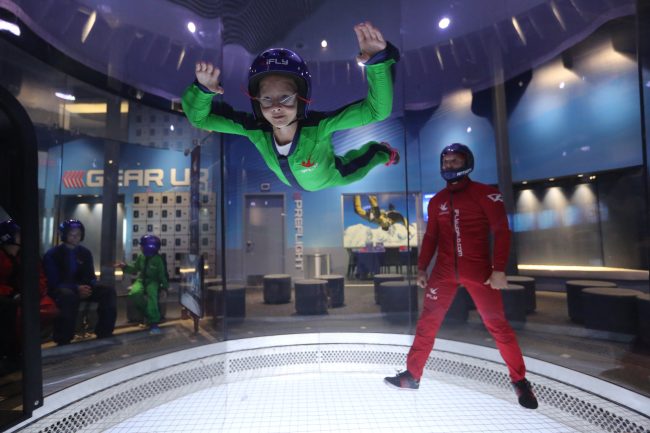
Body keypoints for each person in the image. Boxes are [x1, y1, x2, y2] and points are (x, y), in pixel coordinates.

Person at [383, 143, 538, 410]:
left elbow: (501, 231)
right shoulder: (439, 201)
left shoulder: (486, 194)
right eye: (446, 162)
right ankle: (412, 375)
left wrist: (499, 269)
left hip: (480, 273)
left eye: (455, 161)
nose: (450, 166)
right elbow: (431, 236)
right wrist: (422, 268)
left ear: (467, 162)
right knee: (427, 323)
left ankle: (520, 381)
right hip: (443, 273)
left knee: (498, 326)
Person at [182, 21, 400, 192]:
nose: (276, 107)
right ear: (257, 102)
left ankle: (383, 151)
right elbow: (199, 119)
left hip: (330, 175)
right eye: (267, 99)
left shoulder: (319, 126)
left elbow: (376, 111)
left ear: (301, 98)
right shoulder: (255, 129)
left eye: (285, 98)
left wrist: (378, 62)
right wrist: (203, 92)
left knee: (361, 165)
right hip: (295, 181)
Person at [43, 219, 116, 345]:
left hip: (82, 287)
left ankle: (105, 331)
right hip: (62, 289)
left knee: (108, 291)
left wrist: (88, 287)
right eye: (72, 233)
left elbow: (90, 276)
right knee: (68, 296)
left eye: (78, 233)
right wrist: (76, 288)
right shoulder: (53, 254)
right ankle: (63, 338)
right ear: (64, 234)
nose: (76, 236)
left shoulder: (85, 253)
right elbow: (53, 281)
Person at [0, 219, 58, 373]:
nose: (22, 237)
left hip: (23, 297)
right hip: (8, 298)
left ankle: (20, 353)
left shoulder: (27, 255)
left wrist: (32, 293)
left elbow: (39, 277)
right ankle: (11, 355)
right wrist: (12, 294)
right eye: (18, 234)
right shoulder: (3, 256)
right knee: (10, 311)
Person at [116, 234, 168, 335]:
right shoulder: (141, 256)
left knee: (152, 297)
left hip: (153, 281)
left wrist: (164, 287)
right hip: (141, 280)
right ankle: (149, 315)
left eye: (142, 245)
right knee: (134, 294)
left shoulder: (158, 260)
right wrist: (124, 267)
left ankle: (154, 323)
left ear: (149, 247)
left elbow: (162, 275)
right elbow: (135, 269)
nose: (140, 247)